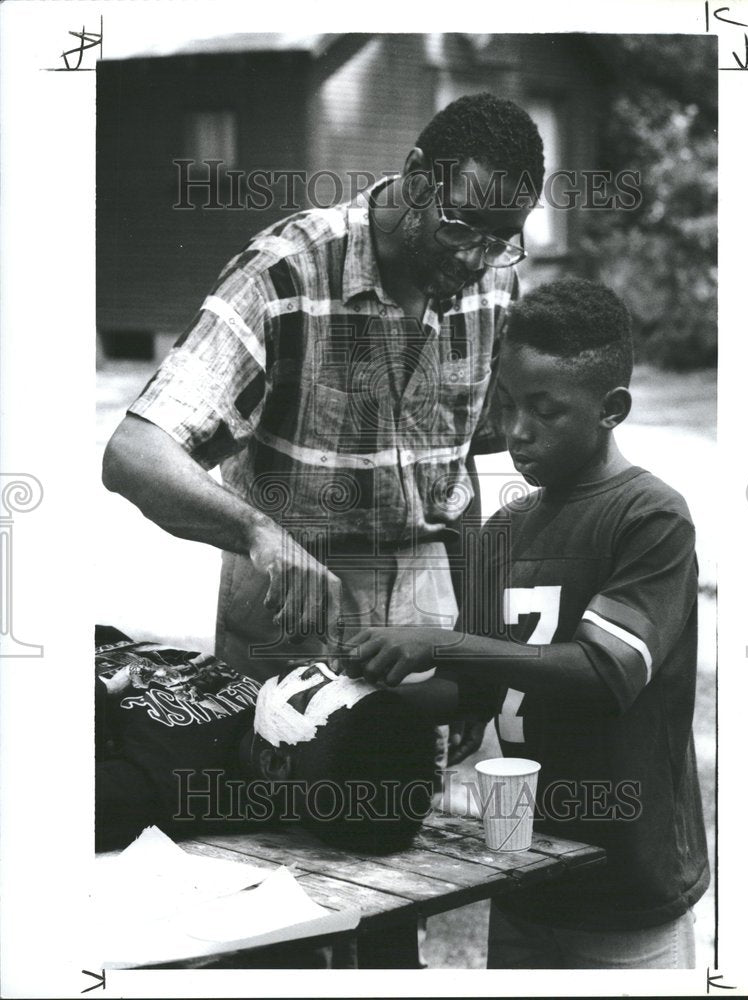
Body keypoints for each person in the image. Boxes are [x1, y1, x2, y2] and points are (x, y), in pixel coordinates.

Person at [100, 93, 546, 767]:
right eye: (462, 228)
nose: (475, 262)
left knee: (420, 839)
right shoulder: (286, 271)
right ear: (418, 175)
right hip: (293, 604)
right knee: (273, 827)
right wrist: (260, 534)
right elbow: (134, 453)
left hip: (428, 616)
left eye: (500, 241)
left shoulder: (491, 293)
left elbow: (464, 479)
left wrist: (474, 660)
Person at [343, 278, 711, 969]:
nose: (516, 431)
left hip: (627, 891)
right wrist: (365, 685)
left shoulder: (650, 517)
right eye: (507, 405)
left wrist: (440, 641)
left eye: (545, 410)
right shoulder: (507, 527)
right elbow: (472, 693)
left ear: (612, 410)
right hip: (523, 877)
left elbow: (606, 672)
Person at [95, 627, 435, 854]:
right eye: (346, 678)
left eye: (313, 694)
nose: (331, 669)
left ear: (274, 765)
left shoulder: (165, 785)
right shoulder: (266, 726)